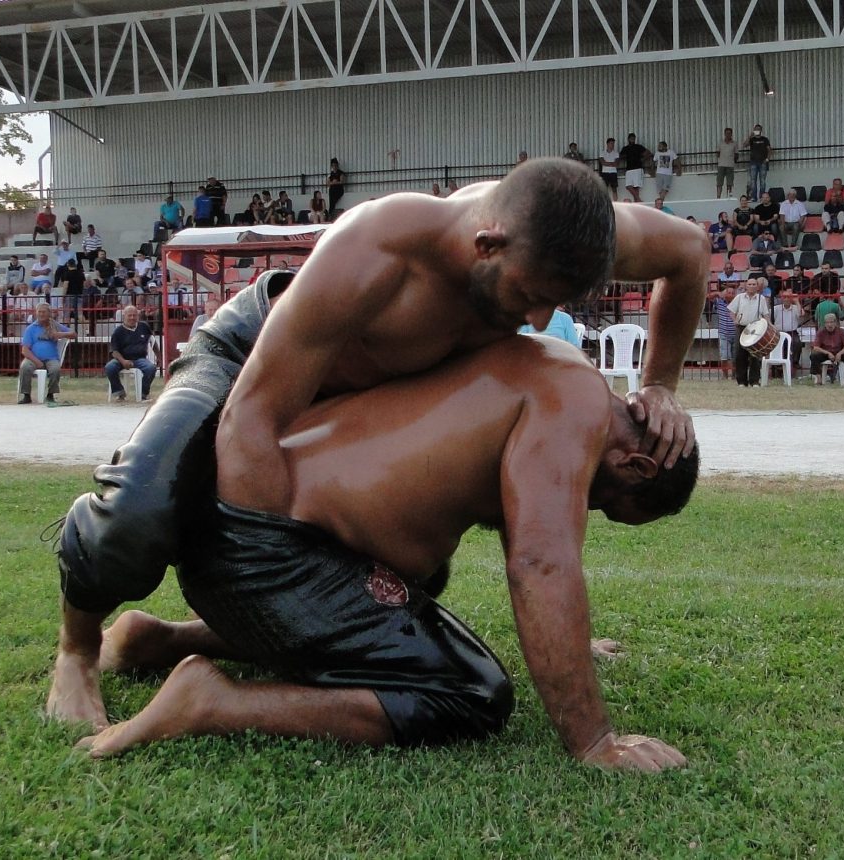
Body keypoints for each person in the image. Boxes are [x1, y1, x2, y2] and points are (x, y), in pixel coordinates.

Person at [47, 158, 705, 733]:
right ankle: (78, 650)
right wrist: (262, 566)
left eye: (554, 305)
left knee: (403, 559)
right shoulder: (382, 248)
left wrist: (662, 386)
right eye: (530, 297)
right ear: (487, 245)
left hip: (361, 388)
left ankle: (164, 640)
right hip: (251, 360)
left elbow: (689, 253)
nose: (537, 324)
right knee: (142, 509)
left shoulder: (576, 230)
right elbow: (253, 417)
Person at [70, 335, 698, 769]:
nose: (584, 509)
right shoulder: (575, 412)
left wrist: (572, 643)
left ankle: (168, 639)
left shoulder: (558, 365)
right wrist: (596, 742)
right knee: (471, 693)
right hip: (267, 559)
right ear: (635, 463)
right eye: (604, 503)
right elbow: (540, 562)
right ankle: (214, 701)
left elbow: (524, 528)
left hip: (246, 543)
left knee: (426, 579)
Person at [17, 301, 75, 404]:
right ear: (36, 313)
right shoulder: (31, 329)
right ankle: (26, 395)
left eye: (44, 312)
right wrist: (37, 361)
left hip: (51, 358)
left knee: (55, 369)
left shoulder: (55, 325)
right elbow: (25, 350)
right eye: (39, 312)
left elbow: (74, 334)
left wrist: (59, 334)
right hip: (33, 358)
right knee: (25, 367)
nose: (41, 314)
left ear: (49, 313)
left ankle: (50, 395)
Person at [106, 305, 159, 402]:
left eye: (134, 315)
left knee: (151, 368)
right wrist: (123, 361)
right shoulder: (118, 332)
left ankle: (143, 394)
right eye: (129, 315)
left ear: (138, 316)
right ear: (124, 316)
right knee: (110, 367)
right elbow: (114, 351)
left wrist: (160, 358)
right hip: (121, 359)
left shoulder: (144, 326)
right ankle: (120, 393)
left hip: (140, 359)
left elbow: (153, 343)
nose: (132, 318)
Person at [727, 277, 769, 386]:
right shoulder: (739, 297)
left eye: (754, 284)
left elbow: (766, 314)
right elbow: (731, 311)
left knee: (755, 355)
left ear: (757, 287)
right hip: (742, 328)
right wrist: (735, 320)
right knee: (740, 355)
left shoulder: (761, 299)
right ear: (746, 286)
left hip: (756, 329)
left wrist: (768, 326)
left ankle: (754, 381)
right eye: (749, 284)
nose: (751, 286)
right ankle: (741, 381)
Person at [809, 313, 844, 385]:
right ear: (825, 323)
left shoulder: (841, 331)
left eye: (831, 322)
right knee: (813, 355)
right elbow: (816, 347)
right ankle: (819, 378)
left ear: (835, 322)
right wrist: (827, 353)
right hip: (825, 353)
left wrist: (840, 353)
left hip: (838, 352)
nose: (829, 325)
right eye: (827, 322)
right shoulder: (821, 332)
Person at [708, 283, 737, 380]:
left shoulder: (738, 303)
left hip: (736, 333)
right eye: (728, 292)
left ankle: (733, 376)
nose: (730, 294)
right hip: (724, 333)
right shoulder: (720, 302)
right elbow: (708, 297)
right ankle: (725, 376)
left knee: (735, 357)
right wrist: (718, 293)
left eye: (732, 293)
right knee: (724, 356)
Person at [773, 289, 804, 368]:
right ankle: (777, 364)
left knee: (797, 343)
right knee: (777, 345)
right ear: (781, 298)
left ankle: (794, 362)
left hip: (792, 332)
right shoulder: (776, 308)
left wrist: (797, 301)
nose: (786, 299)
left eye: (788, 297)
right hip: (779, 332)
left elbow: (801, 314)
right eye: (784, 297)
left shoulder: (795, 307)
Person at [742, 124, 771, 201]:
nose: (757, 130)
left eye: (758, 129)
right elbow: (744, 145)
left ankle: (762, 197)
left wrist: (767, 159)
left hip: (763, 163)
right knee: (753, 181)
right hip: (753, 162)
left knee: (762, 181)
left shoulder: (765, 139)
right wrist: (750, 136)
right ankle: (754, 197)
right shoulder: (752, 139)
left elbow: (769, 149)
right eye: (756, 129)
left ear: (761, 130)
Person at [619, 133, 648, 203]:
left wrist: (643, 160)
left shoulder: (638, 147)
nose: (632, 139)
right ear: (628, 139)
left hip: (638, 168)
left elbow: (648, 153)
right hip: (629, 169)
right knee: (628, 186)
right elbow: (620, 156)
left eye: (633, 138)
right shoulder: (625, 148)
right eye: (631, 138)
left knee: (636, 186)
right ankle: (638, 199)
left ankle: (636, 201)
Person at [715, 128, 737, 198]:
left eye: (729, 133)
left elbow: (736, 154)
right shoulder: (720, 143)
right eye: (727, 133)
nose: (728, 135)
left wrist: (732, 160)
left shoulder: (734, 143)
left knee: (730, 182)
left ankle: (729, 196)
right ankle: (718, 196)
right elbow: (717, 153)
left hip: (730, 165)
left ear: (731, 134)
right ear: (724, 134)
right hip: (721, 165)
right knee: (719, 182)